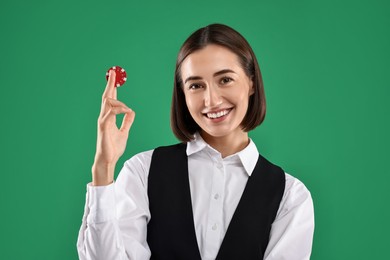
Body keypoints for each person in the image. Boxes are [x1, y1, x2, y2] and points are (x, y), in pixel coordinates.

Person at [77, 23, 314, 260]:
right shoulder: (142, 172)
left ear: (251, 82)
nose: (211, 100)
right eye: (196, 86)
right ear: (183, 94)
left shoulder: (291, 197)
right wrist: (103, 168)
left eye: (225, 80)